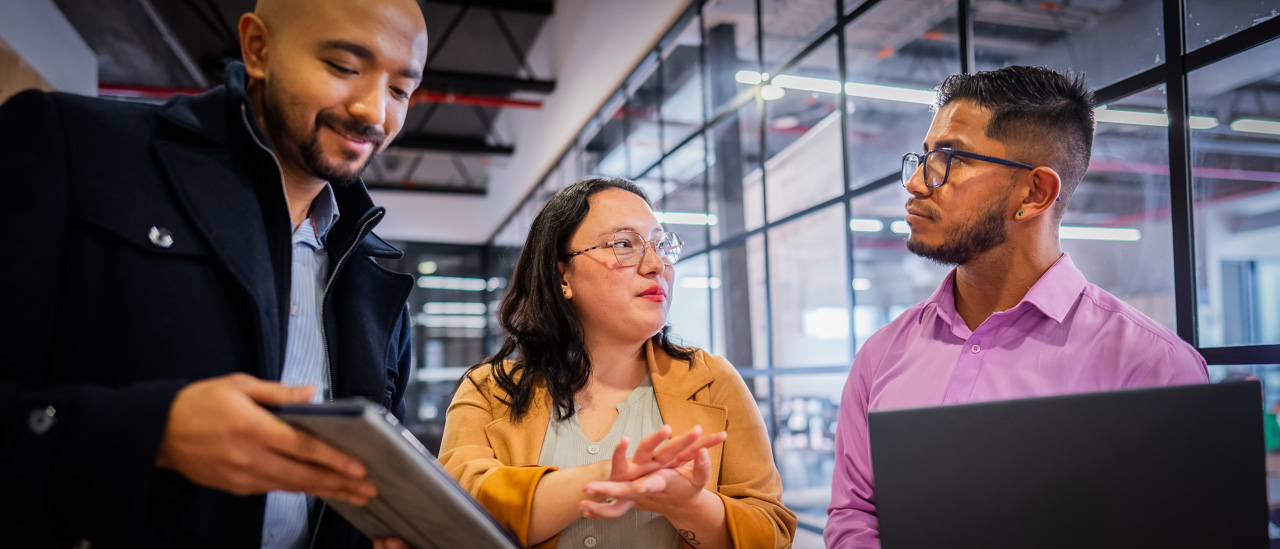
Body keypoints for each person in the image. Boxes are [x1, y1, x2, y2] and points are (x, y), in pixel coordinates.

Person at [0, 0, 428, 546]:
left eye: (399, 91)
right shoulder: (76, 150)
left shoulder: (375, 277)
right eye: (344, 68)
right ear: (258, 49)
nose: (374, 111)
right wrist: (156, 432)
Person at [824, 66, 1209, 548]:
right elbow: (854, 514)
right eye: (923, 158)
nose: (917, 183)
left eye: (949, 159)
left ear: (1034, 193)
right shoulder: (882, 355)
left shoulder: (1152, 367)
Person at [434, 177, 797, 549]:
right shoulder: (489, 390)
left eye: (660, 245)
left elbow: (772, 532)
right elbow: (453, 516)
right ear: (562, 275)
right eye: (624, 244)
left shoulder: (713, 381)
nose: (656, 265)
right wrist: (608, 478)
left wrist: (690, 505)